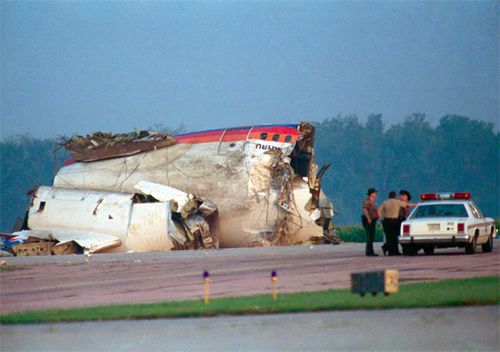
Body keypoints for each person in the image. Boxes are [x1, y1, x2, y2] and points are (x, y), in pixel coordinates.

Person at [378, 191, 407, 256]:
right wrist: (416, 204)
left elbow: (379, 210)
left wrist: (381, 219)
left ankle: (390, 251)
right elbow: (407, 205)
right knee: (394, 237)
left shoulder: (385, 202)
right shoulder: (397, 202)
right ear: (395, 196)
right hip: (394, 221)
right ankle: (394, 251)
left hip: (386, 221)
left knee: (389, 237)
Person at [361, 188, 379, 256]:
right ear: (371, 194)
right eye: (375, 193)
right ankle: (369, 251)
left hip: (373, 220)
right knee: (369, 236)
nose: (376, 194)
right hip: (368, 220)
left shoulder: (373, 201)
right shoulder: (367, 201)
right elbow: (365, 210)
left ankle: (371, 251)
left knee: (372, 235)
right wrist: (368, 218)